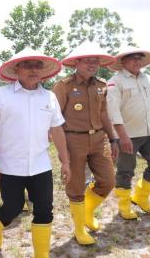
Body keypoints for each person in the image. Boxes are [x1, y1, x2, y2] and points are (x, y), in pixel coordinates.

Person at [0, 48, 71, 257]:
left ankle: (41, 254)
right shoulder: (1, 95)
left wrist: (65, 162)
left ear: (43, 71)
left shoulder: (49, 97)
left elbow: (57, 129)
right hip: (9, 166)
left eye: (37, 65)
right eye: (27, 64)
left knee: (45, 210)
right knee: (13, 207)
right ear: (16, 69)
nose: (33, 69)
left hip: (41, 165)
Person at [53, 43, 117, 245]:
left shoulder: (101, 85)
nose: (93, 64)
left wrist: (113, 137)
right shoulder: (63, 86)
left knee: (108, 181)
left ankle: (88, 211)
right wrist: (62, 151)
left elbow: (104, 114)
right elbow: (54, 119)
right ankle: (80, 229)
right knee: (76, 186)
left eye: (95, 61)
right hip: (73, 140)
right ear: (76, 62)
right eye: (87, 60)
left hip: (99, 139)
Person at [106, 48, 150, 220]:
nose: (137, 61)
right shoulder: (115, 81)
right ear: (123, 62)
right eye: (133, 58)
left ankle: (141, 197)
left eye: (140, 58)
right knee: (125, 171)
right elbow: (113, 111)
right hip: (127, 134)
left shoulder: (148, 78)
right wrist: (122, 136)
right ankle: (124, 204)